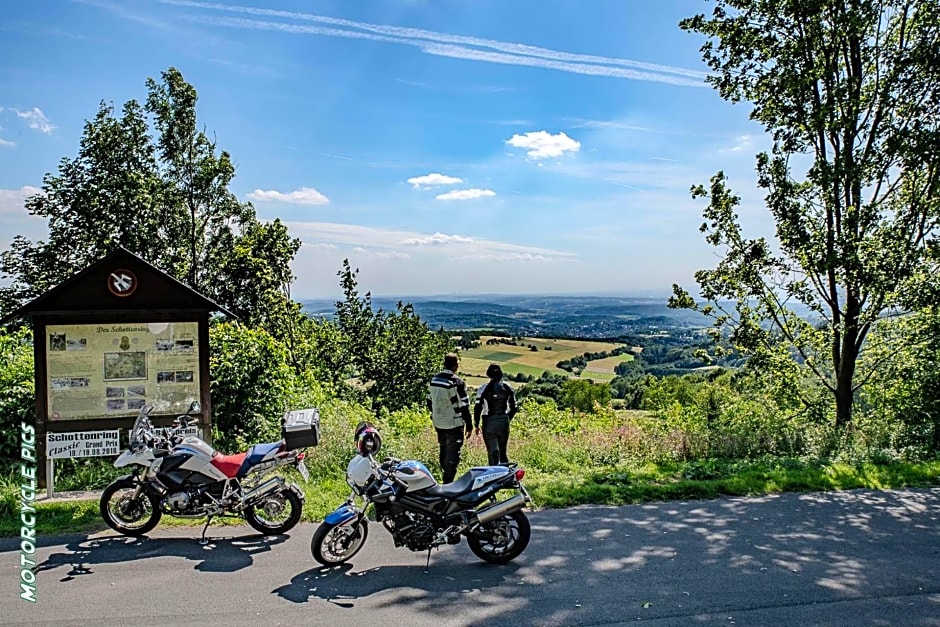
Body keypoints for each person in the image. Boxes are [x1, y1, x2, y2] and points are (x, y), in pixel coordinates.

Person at [427, 353, 473, 483]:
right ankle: (448, 484)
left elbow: (429, 401)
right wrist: (469, 425)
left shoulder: (434, 380)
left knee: (443, 448)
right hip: (454, 422)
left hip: (438, 421)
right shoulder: (457, 382)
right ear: (455, 365)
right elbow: (464, 406)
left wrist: (436, 413)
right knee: (453, 454)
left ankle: (444, 476)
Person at [473, 363, 517, 466]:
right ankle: (506, 475)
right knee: (503, 452)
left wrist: (476, 424)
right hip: (503, 422)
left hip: (489, 422)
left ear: (488, 374)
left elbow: (478, 408)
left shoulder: (483, 388)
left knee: (493, 453)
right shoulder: (507, 387)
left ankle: (494, 476)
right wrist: (507, 419)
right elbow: (514, 408)